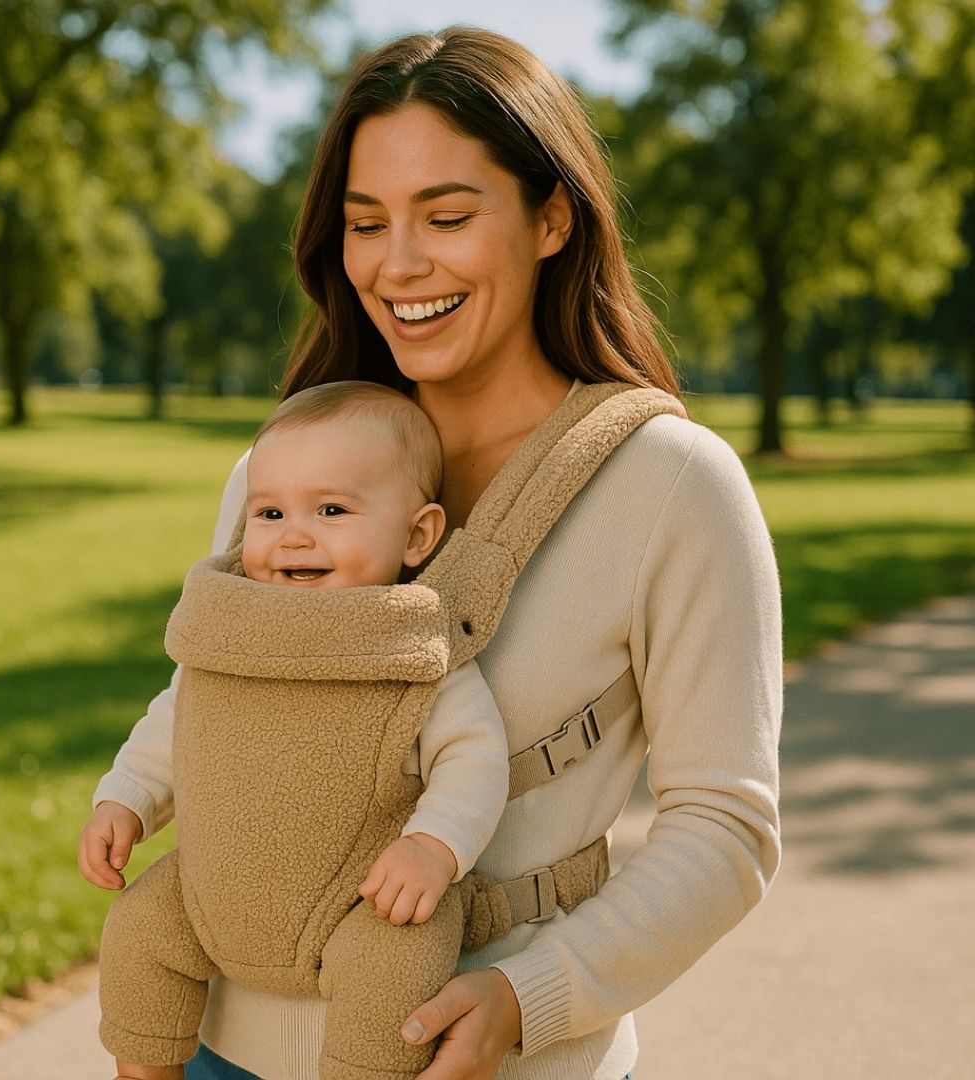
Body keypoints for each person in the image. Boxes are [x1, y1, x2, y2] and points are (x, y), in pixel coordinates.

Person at [82, 25, 783, 1080]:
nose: (399, 264)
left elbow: (725, 826)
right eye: (367, 224)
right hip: (221, 1051)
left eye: (447, 217)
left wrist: (525, 998)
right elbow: (211, 704)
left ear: (552, 217)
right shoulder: (280, 477)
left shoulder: (672, 487)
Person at [83, 381, 511, 1080]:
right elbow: (175, 722)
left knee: (399, 961)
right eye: (271, 512)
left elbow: (475, 757)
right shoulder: (233, 627)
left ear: (417, 534)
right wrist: (125, 800)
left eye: (333, 510)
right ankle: (145, 1070)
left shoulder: (408, 649)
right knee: (139, 930)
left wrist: (433, 848)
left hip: (357, 903)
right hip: (211, 892)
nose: (294, 534)